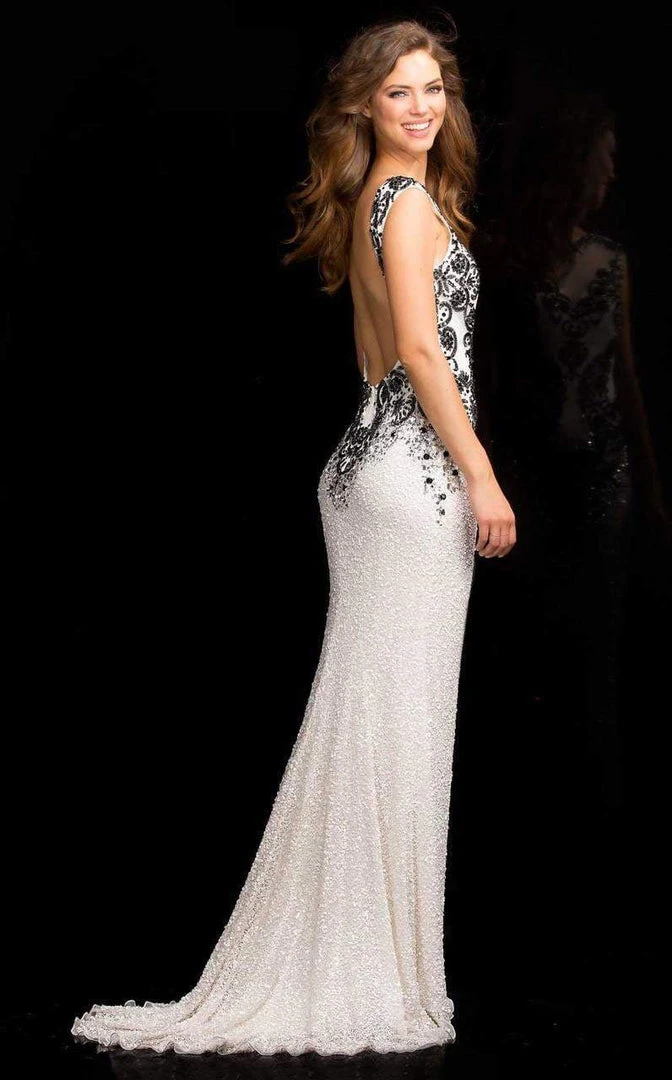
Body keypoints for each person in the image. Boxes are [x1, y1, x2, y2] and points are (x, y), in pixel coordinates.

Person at [70, 16, 515, 1058]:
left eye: (433, 89)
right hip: (410, 479)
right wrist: (482, 472)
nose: (420, 106)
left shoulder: (381, 201)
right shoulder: (407, 205)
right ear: (365, 106)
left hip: (368, 473)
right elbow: (417, 351)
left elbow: (382, 355)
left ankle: (371, 962)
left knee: (373, 716)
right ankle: (370, 973)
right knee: (394, 721)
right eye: (399, 91)